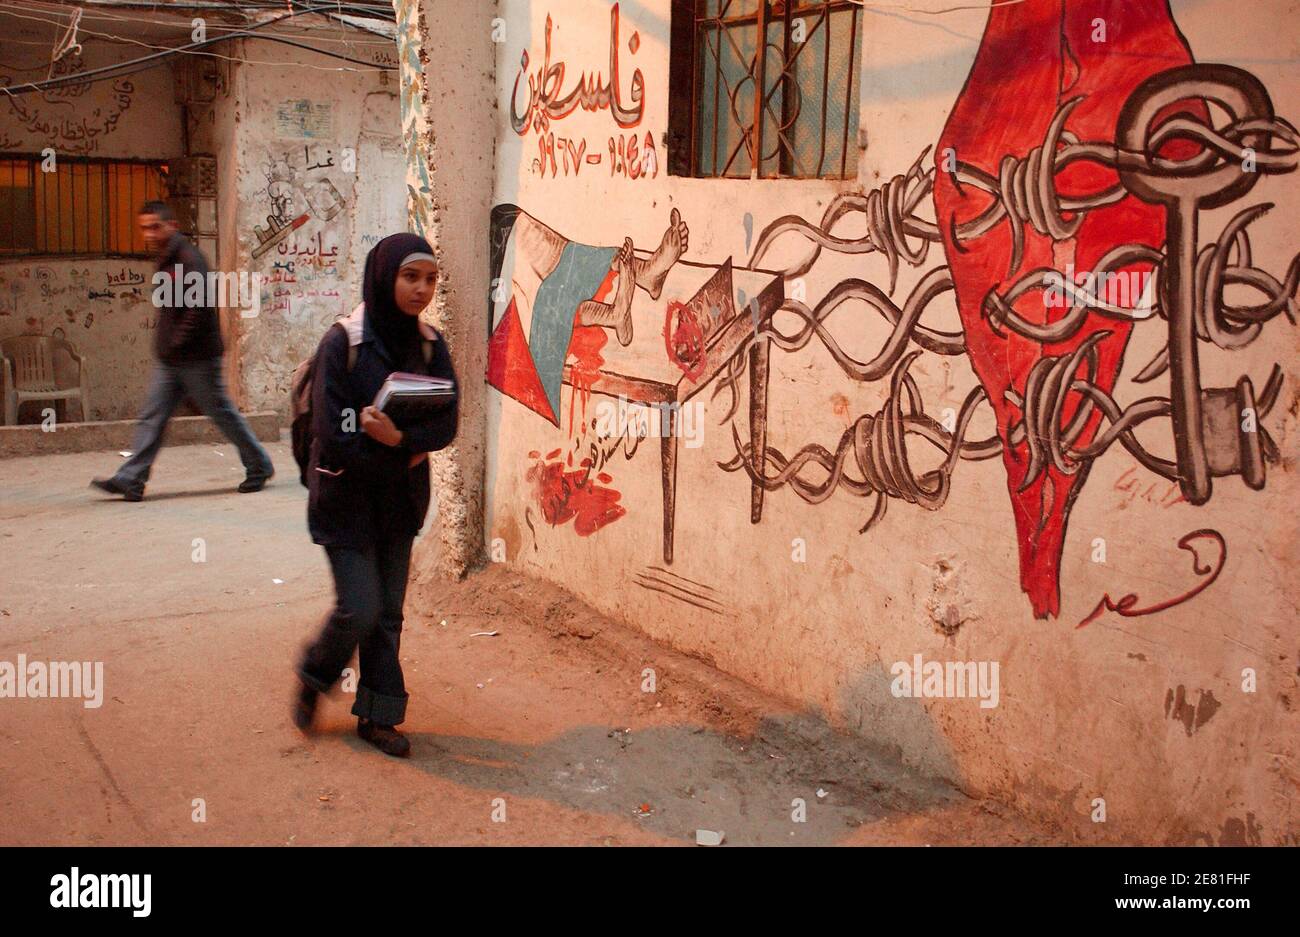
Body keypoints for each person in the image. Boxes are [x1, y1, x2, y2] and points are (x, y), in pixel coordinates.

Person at [292, 233, 458, 758]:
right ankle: (316, 672)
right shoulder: (344, 342)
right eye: (411, 277)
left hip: (399, 505)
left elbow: (448, 420)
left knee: (388, 613)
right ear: (385, 277)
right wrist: (393, 452)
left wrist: (402, 439)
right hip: (343, 501)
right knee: (359, 608)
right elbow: (331, 430)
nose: (421, 289)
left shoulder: (431, 345)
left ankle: (379, 714)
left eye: (430, 279)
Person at [90, 201, 274, 501]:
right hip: (173, 359)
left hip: (197, 358)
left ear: (171, 226)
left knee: (221, 413)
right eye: (144, 228)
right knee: (153, 416)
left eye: (155, 227)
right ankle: (131, 479)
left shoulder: (188, 259)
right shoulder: (166, 257)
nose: (148, 234)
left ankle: (259, 464)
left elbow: (198, 310)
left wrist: (175, 343)